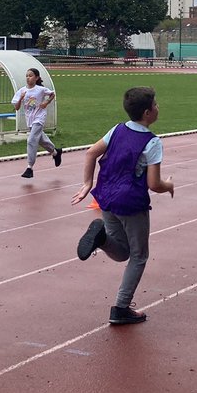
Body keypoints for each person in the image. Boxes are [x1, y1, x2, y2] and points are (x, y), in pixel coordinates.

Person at [71, 87, 175, 325]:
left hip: (106, 197)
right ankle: (121, 307)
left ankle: (101, 239)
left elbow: (90, 153)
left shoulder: (117, 129)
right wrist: (168, 185)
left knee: (122, 251)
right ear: (148, 113)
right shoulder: (152, 142)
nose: (159, 108)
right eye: (157, 105)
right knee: (138, 256)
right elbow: (153, 184)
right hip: (131, 203)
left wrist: (88, 183)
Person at [12, 67, 62, 178]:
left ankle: (29, 167)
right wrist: (20, 99)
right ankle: (55, 153)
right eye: (27, 76)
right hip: (29, 119)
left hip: (39, 118)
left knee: (31, 140)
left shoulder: (40, 89)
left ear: (37, 78)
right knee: (41, 140)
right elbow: (16, 107)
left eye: (30, 76)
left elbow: (52, 94)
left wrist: (46, 103)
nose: (28, 78)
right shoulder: (21, 91)